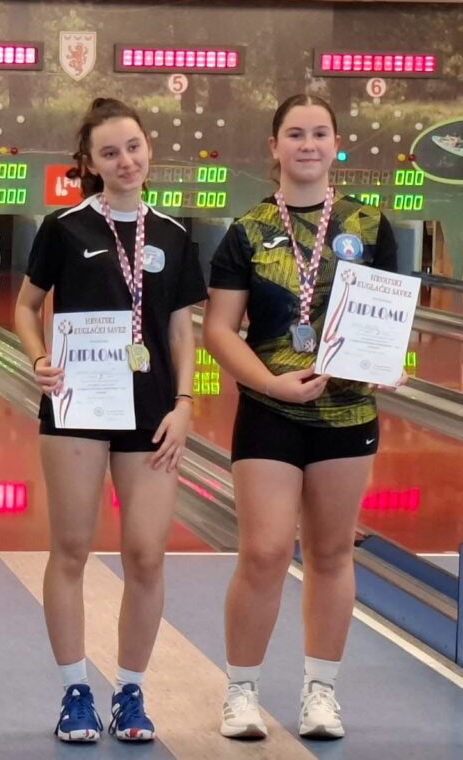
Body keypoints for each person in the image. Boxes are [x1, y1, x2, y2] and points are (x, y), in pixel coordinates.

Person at [203, 93, 400, 741]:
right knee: (263, 551)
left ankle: (321, 692)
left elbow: (389, 316)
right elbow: (219, 329)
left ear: (335, 144)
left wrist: (386, 362)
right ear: (275, 146)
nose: (308, 144)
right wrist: (270, 383)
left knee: (331, 552)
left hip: (349, 412)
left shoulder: (370, 225)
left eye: (319, 133)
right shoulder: (248, 230)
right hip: (269, 408)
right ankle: (241, 692)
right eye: (295, 134)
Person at [14, 98, 206, 743]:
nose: (126, 160)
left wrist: (185, 403)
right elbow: (26, 307)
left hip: (151, 410)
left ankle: (130, 690)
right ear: (90, 163)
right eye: (110, 152)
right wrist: (38, 358)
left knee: (147, 555)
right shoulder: (65, 228)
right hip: (78, 404)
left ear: (148, 148)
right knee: (71, 548)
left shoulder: (173, 234)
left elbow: (180, 329)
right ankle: (75, 690)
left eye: (133, 147)